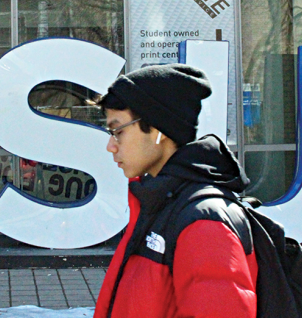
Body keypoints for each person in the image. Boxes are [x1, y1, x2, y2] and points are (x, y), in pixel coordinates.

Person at [93, 64, 258, 318]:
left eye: (118, 131)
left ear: (159, 131)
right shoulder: (158, 201)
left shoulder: (204, 223)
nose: (110, 146)